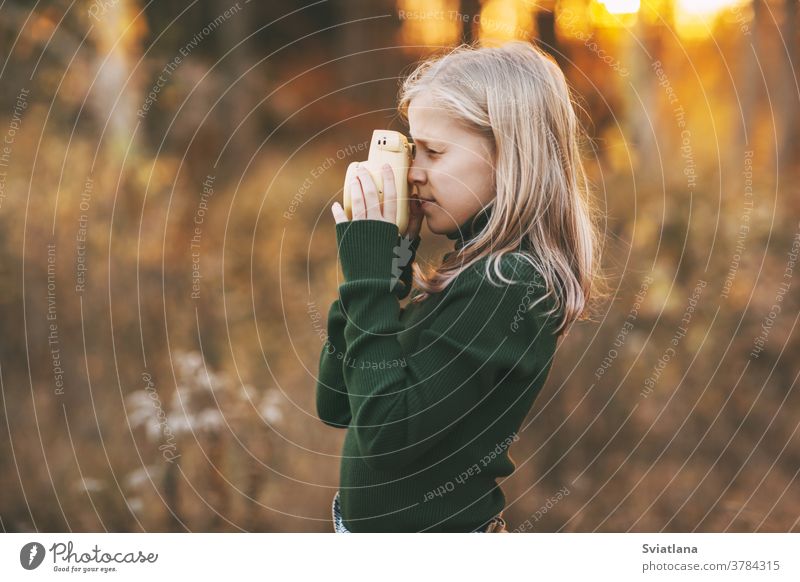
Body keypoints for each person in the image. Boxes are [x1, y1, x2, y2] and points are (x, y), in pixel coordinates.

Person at [316, 40, 604, 533]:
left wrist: (368, 285)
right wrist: (380, 279)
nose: (415, 173)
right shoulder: (472, 271)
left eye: (434, 151)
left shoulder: (507, 285)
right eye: (413, 149)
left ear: (510, 156)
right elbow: (337, 402)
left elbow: (387, 438)